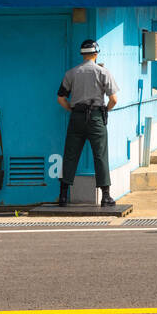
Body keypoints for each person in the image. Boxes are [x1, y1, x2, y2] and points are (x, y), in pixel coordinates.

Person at [56, 38, 119, 207]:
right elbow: (113, 99)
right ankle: (105, 196)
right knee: (100, 155)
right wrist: (105, 110)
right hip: (96, 116)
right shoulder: (103, 72)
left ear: (82, 54)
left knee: (70, 155)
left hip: (77, 116)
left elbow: (61, 98)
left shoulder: (71, 73)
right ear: (96, 53)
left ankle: (63, 195)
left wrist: (71, 109)